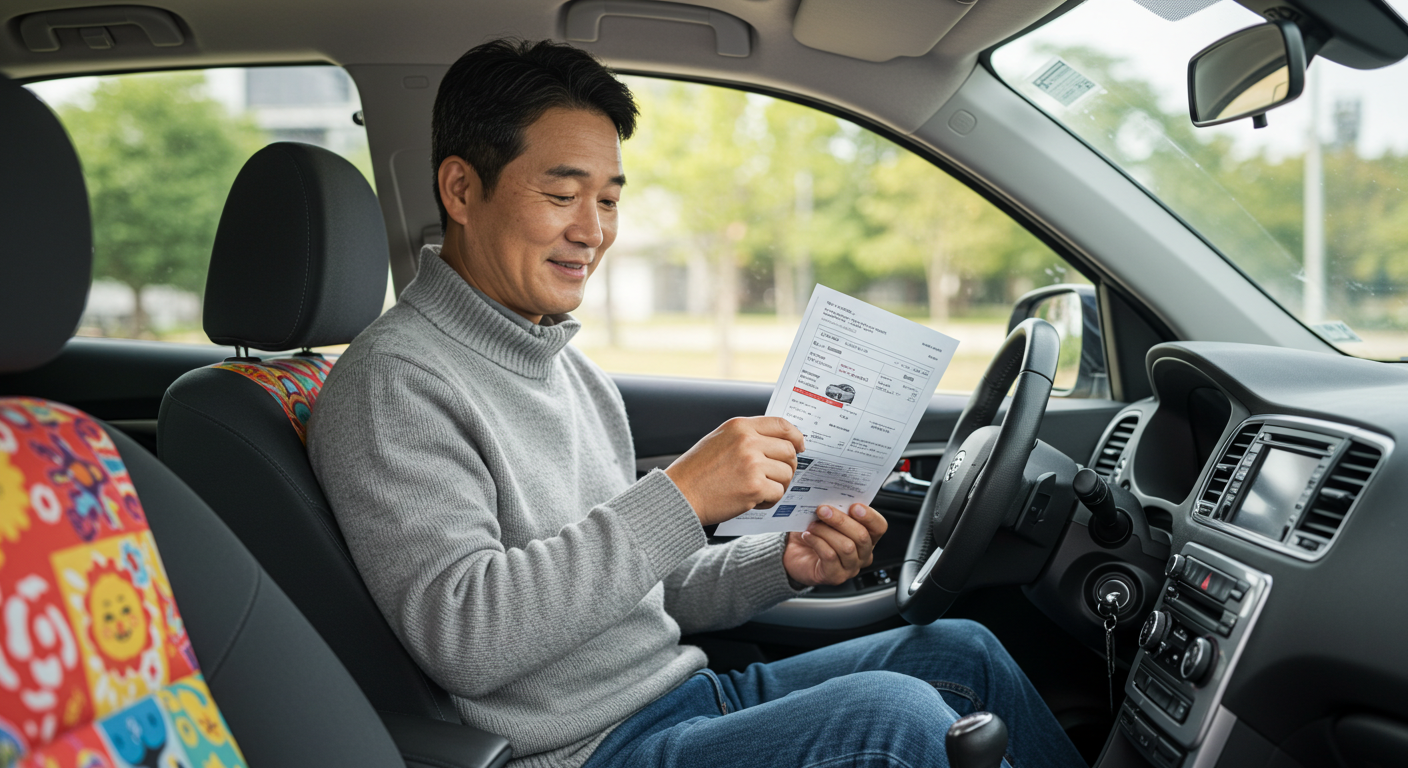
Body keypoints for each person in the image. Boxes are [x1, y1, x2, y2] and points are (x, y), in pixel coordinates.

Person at [307, 38, 1086, 768]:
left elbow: (642, 590)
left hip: (682, 697)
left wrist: (782, 563)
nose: (593, 232)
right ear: (461, 189)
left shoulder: (567, 369)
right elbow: (466, 633)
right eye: (561, 194)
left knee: (963, 651)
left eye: (609, 200)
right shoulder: (394, 383)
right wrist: (681, 496)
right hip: (588, 750)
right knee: (895, 717)